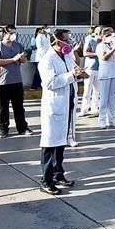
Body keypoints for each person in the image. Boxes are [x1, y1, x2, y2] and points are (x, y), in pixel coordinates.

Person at [37, 28, 84, 194]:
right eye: (66, 40)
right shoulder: (47, 60)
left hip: (67, 103)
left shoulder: (67, 56)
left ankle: (58, 174)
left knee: (61, 143)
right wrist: (71, 75)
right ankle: (46, 180)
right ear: (56, 42)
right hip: (54, 106)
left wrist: (79, 74)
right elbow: (50, 83)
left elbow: (74, 68)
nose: (69, 43)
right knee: (50, 144)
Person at [0, 25, 32, 138]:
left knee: (19, 106)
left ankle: (22, 127)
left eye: (15, 32)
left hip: (16, 80)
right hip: (2, 81)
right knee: (3, 108)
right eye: (11, 33)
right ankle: (3, 129)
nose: (13, 35)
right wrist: (12, 59)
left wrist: (22, 58)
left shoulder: (18, 46)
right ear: (4, 34)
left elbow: (23, 60)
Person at [96, 27, 115, 129]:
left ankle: (112, 118)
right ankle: (102, 120)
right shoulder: (100, 46)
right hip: (105, 75)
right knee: (104, 98)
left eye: (110, 35)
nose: (109, 37)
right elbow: (104, 58)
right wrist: (114, 48)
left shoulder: (112, 45)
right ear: (102, 36)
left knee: (113, 98)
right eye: (107, 35)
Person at [79, 26, 100, 116]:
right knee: (87, 90)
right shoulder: (90, 41)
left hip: (100, 69)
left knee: (97, 91)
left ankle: (95, 109)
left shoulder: (104, 43)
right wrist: (97, 54)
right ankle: (84, 109)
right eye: (99, 32)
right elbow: (85, 53)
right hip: (90, 68)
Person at [30, 25, 51, 90]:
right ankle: (34, 86)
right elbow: (39, 47)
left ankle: (40, 85)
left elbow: (49, 45)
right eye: (46, 28)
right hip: (40, 57)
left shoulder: (48, 36)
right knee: (38, 72)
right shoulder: (39, 36)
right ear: (43, 29)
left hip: (47, 56)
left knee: (44, 72)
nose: (48, 29)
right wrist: (44, 55)